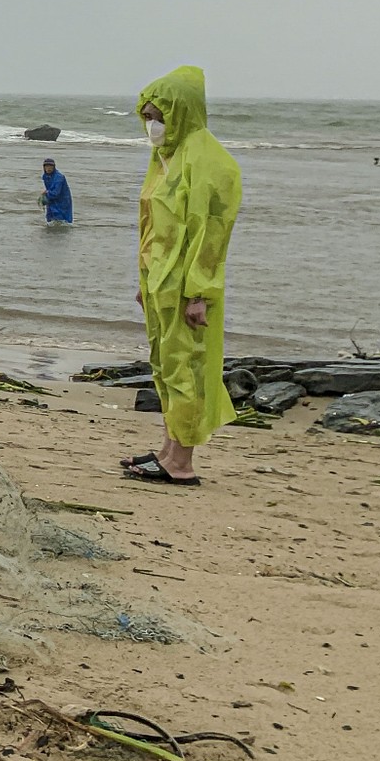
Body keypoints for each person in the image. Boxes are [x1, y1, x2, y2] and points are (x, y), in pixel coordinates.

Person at [120, 67, 241, 487]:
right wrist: (144, 282)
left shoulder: (209, 162)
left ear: (182, 112)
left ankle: (182, 463)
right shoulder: (165, 158)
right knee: (166, 366)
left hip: (187, 287)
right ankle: (168, 448)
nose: (153, 125)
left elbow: (212, 234)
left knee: (187, 367)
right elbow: (155, 227)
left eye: (160, 116)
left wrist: (199, 294)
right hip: (160, 282)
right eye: (148, 116)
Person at [40, 159, 74, 224]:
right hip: (52, 201)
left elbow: (56, 193)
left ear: (54, 167)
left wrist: (47, 194)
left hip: (63, 201)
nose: (48, 168)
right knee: (50, 220)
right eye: (46, 166)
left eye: (51, 166)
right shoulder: (45, 176)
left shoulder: (59, 177)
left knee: (63, 221)